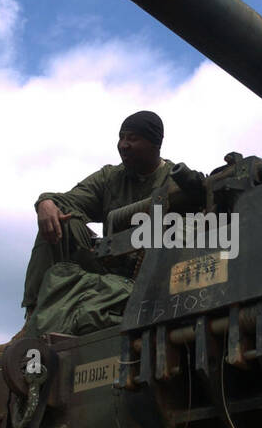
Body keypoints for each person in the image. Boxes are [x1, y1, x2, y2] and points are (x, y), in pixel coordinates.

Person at [22, 110, 173, 313]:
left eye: (133, 138)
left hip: (153, 276)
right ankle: (33, 313)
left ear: (155, 144)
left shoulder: (174, 180)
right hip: (106, 268)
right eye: (121, 138)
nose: (123, 145)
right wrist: (46, 202)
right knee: (61, 221)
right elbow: (68, 201)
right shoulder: (110, 177)